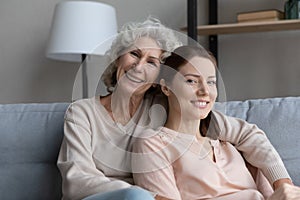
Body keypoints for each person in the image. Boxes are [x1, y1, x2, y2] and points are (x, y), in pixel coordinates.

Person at [57, 17, 294, 200]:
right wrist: (147, 194)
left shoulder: (164, 106)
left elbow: (245, 134)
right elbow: (75, 180)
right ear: (118, 58)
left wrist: (282, 183)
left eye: (152, 62)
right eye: (134, 54)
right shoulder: (82, 113)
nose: (139, 66)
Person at [132, 45, 300, 200]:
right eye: (191, 81)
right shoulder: (152, 145)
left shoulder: (230, 144)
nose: (205, 91)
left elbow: (252, 137)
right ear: (166, 87)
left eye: (211, 82)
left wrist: (283, 185)